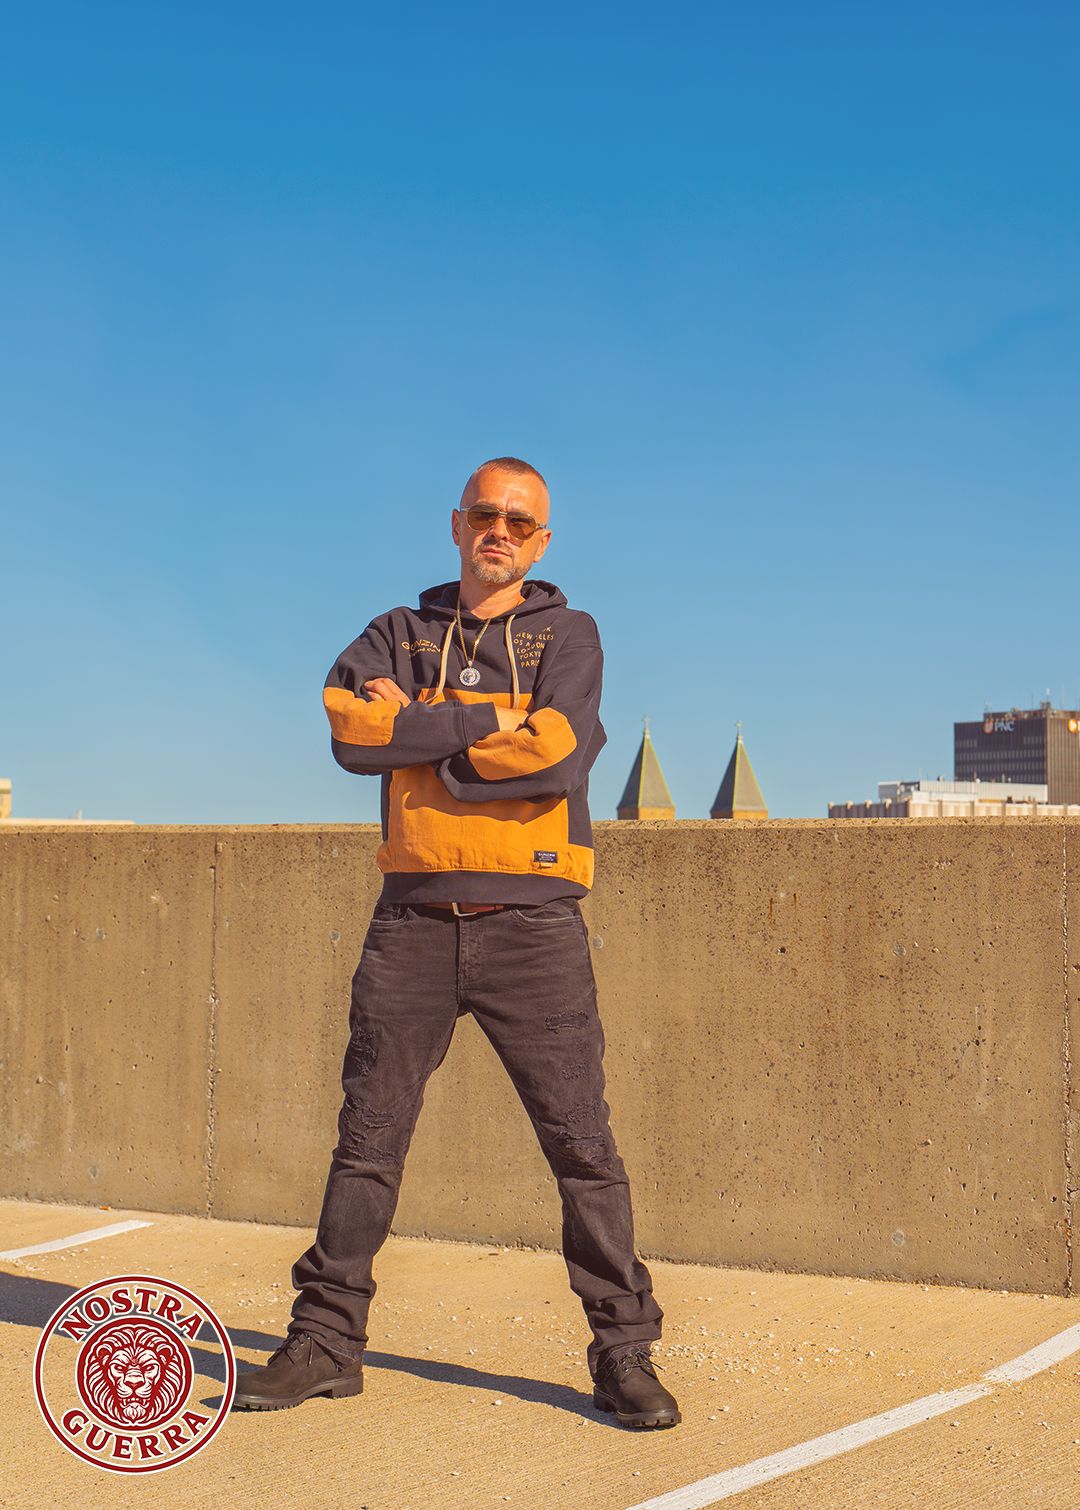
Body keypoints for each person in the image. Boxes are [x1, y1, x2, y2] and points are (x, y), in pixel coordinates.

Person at [233, 457, 679, 1428]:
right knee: (368, 1140)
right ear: (457, 523)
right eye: (486, 515)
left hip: (535, 924)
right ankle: (326, 1343)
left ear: (542, 542)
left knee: (582, 1146)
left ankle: (623, 1352)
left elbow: (556, 752)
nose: (500, 532)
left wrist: (426, 735)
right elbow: (352, 732)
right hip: (413, 923)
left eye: (520, 522)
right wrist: (489, 723)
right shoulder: (398, 631)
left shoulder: (570, 634)